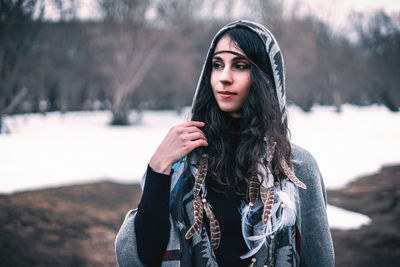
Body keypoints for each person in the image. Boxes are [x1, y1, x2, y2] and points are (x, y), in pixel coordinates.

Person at [115, 20, 334, 267]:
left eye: (240, 66)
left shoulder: (296, 168)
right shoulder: (186, 163)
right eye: (217, 65)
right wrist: (158, 167)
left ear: (265, 78)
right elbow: (145, 256)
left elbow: (319, 259)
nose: (224, 78)